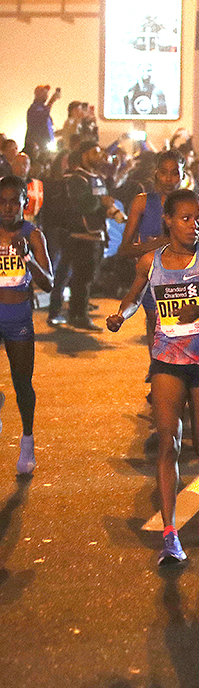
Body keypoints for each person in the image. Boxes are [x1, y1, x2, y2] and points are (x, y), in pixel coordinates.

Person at [106, 189, 199, 566]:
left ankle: (190, 416)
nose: (194, 224)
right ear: (169, 221)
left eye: (198, 218)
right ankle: (170, 536)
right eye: (186, 218)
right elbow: (134, 296)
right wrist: (121, 316)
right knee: (167, 445)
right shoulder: (150, 262)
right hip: (167, 362)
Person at [0, 176, 53, 473]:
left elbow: (49, 284)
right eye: (2, 201)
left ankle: (27, 440)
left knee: (22, 384)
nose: (8, 207)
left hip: (18, 316)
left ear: (25, 203)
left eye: (14, 201)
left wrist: (28, 258)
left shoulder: (33, 235)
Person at [47, 140, 125, 331]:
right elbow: (83, 204)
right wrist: (102, 202)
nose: (100, 155)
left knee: (86, 276)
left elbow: (101, 202)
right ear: (83, 154)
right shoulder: (76, 179)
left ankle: (77, 310)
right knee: (76, 277)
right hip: (78, 236)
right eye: (95, 152)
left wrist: (110, 209)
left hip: (96, 234)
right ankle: (75, 314)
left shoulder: (97, 178)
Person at [118, 151, 189, 344]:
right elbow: (124, 249)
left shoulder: (190, 202)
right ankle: (157, 370)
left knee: (185, 334)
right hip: (152, 281)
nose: (168, 179)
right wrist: (156, 244)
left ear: (183, 175)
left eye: (174, 173)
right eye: (164, 172)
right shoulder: (143, 202)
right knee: (156, 329)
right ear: (156, 173)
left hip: (184, 281)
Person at [24, 85, 60, 158]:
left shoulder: (44, 109)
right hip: (37, 148)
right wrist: (52, 100)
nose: (46, 96)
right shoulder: (34, 108)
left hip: (46, 147)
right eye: (44, 93)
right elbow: (42, 116)